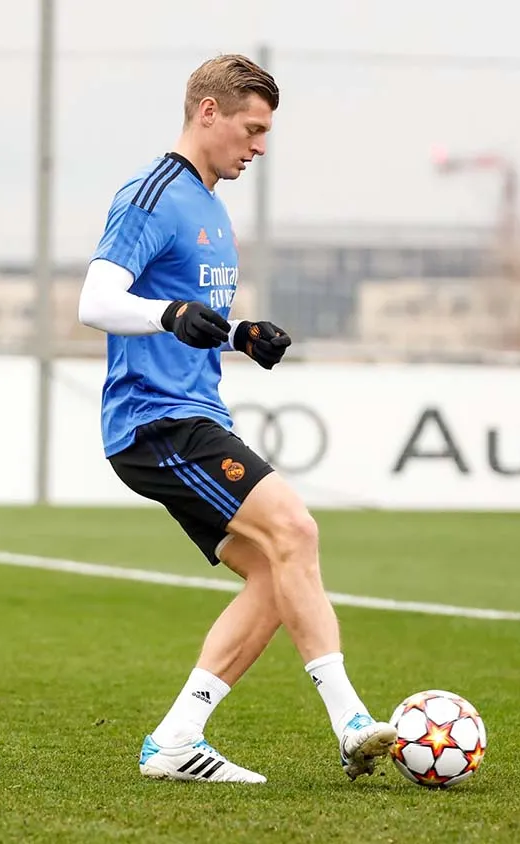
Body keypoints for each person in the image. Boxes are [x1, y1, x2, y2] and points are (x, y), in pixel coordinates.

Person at [78, 53, 396, 784]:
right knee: (296, 530)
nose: (258, 147)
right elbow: (94, 302)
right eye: (251, 129)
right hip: (155, 421)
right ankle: (350, 721)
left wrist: (234, 334)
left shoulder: (212, 207)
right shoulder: (151, 195)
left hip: (190, 412)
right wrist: (172, 313)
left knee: (277, 577)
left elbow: (184, 317)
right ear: (208, 113)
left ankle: (175, 740)